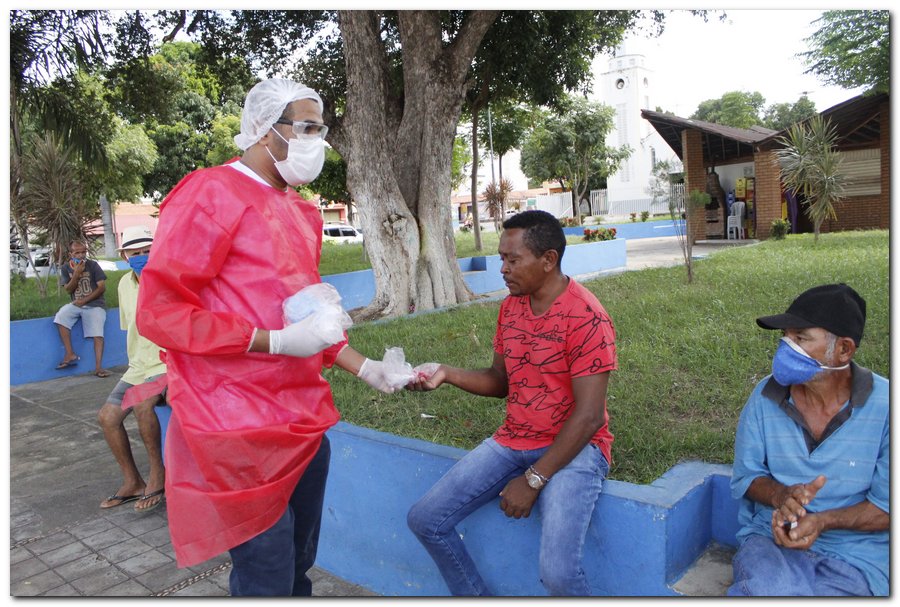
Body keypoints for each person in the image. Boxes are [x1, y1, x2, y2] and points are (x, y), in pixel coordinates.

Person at [135, 78, 399, 597]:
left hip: (301, 421)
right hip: (233, 423)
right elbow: (162, 313)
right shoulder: (210, 194)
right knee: (267, 573)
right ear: (261, 130)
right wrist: (271, 342)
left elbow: (307, 322)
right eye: (304, 127)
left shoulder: (300, 211)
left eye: (320, 129)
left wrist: (365, 367)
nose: (316, 141)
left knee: (299, 564)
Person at [406, 210, 618, 596]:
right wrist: (447, 372)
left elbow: (588, 417)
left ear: (548, 260)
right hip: (513, 439)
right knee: (426, 519)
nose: (502, 268)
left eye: (512, 259)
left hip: (576, 447)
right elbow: (500, 381)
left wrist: (535, 479)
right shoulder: (511, 307)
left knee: (559, 574)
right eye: (501, 258)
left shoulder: (587, 317)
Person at [728, 283, 888, 596]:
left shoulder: (887, 406)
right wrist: (780, 496)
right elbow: (746, 477)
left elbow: (887, 509)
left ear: (844, 349)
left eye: (800, 338)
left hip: (856, 556)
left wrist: (822, 522)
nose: (786, 347)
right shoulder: (765, 395)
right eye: (785, 337)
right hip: (771, 543)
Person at [97, 225, 167, 512]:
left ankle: (157, 476)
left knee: (143, 407)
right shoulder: (124, 284)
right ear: (125, 256)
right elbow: (132, 328)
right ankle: (132, 481)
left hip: (166, 364)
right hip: (138, 367)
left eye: (147, 251)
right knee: (107, 417)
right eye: (135, 252)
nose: (141, 256)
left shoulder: (169, 280)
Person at [53, 240, 110, 377]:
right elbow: (68, 289)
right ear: (71, 253)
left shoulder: (93, 265)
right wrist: (77, 274)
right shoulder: (66, 268)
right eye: (77, 252)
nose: (80, 255)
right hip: (77, 304)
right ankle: (70, 353)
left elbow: (101, 287)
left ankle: (98, 368)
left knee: (98, 334)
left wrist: (85, 300)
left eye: (83, 252)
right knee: (61, 317)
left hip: (95, 304)